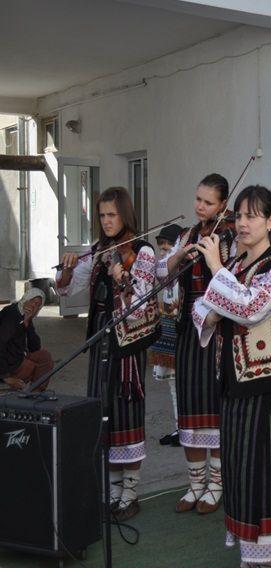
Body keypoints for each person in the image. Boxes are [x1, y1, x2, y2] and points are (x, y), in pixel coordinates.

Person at [192, 185, 271, 566]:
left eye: (252, 216)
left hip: (269, 391)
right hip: (235, 387)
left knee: (266, 478)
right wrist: (219, 303)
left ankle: (265, 559)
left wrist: (217, 272)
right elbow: (200, 308)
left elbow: (252, 308)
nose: (242, 223)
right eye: (239, 215)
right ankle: (248, 558)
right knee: (238, 473)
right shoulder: (237, 268)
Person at [56, 187, 159, 521]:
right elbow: (68, 289)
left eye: (112, 215)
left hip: (127, 341)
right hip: (101, 335)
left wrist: (122, 274)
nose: (106, 221)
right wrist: (68, 269)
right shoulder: (98, 249)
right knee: (103, 413)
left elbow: (142, 301)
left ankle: (130, 493)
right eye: (102, 215)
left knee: (126, 413)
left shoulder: (142, 251)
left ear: (125, 214)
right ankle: (113, 493)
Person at [157, 174, 236, 514]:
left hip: (217, 328)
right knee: (190, 407)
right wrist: (178, 256)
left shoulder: (230, 236)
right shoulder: (187, 235)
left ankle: (216, 485)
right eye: (198, 199)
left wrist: (214, 256)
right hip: (189, 328)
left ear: (223, 205)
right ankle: (194, 484)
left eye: (208, 202)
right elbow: (162, 273)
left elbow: (232, 281)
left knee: (214, 408)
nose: (200, 206)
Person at [148, 223, 183, 447]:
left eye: (166, 248)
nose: (162, 253)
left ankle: (188, 427)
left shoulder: (184, 268)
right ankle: (180, 427)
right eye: (160, 249)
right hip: (168, 328)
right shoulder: (165, 271)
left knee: (183, 383)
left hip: (182, 331)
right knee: (172, 383)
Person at [0, 288, 52, 391]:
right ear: (25, 299)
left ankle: (35, 393)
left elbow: (35, 347)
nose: (34, 306)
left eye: (38, 305)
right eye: (33, 301)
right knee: (29, 366)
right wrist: (6, 377)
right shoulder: (11, 314)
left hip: (15, 357)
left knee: (45, 356)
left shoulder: (25, 314)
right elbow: (1, 345)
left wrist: (27, 323)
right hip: (5, 364)